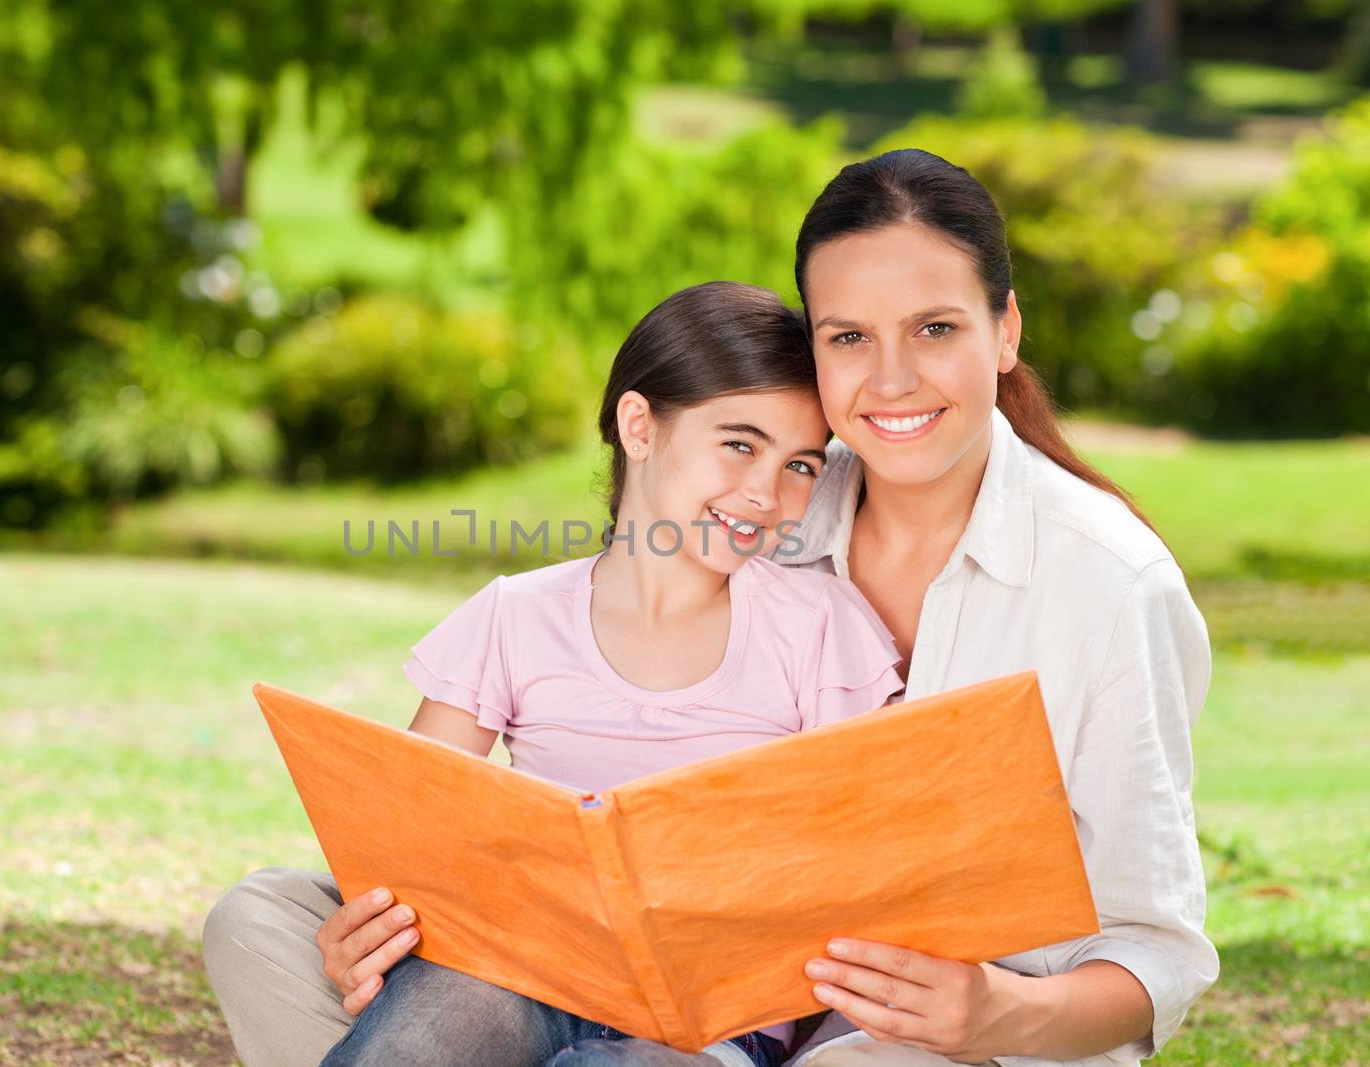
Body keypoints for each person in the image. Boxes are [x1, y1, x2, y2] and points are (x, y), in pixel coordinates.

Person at [203, 149, 1218, 1067]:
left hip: (924, 1033)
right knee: (265, 916)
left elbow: (1153, 950)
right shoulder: (774, 506)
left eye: (936, 327)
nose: (892, 376)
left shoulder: (1108, 583)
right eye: (849, 337)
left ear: (1004, 329)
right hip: (589, 972)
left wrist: (994, 1012)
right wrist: (384, 916)